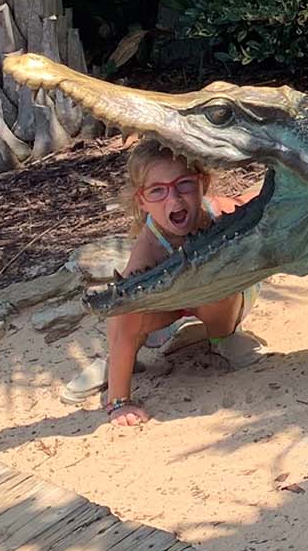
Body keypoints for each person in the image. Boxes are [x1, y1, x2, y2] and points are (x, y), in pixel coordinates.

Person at [102, 139, 258, 427]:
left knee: (212, 277)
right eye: (158, 191)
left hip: (223, 299)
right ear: (142, 200)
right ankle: (116, 366)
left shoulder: (219, 215)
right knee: (126, 309)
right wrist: (119, 401)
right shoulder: (149, 248)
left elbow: (258, 205)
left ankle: (222, 339)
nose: (173, 199)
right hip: (170, 307)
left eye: (184, 184)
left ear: (203, 183)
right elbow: (122, 313)